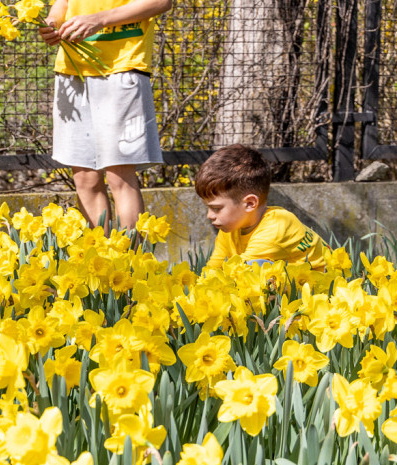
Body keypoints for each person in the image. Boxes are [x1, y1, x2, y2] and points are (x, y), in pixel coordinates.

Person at [39, 0, 172, 231]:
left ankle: (131, 263)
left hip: (122, 68)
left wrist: (99, 19)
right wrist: (52, 24)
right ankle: (98, 259)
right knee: (84, 178)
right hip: (71, 71)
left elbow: (161, 2)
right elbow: (61, 4)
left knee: (119, 176)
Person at [196, 144, 328, 270]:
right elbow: (213, 269)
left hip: (325, 286)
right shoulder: (230, 229)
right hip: (292, 286)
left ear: (250, 204)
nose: (210, 215)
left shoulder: (276, 227)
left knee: (255, 267)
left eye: (216, 208)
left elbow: (239, 274)